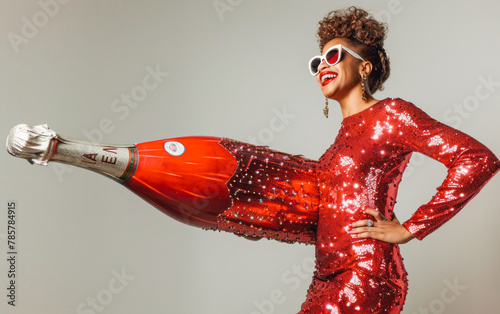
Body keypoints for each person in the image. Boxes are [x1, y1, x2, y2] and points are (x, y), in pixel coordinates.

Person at [5, 6, 499, 314]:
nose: (322, 67)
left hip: (367, 274)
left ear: (364, 65)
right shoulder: (340, 139)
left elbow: (476, 159)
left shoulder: (393, 114)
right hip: (325, 274)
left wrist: (409, 228)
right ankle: (64, 150)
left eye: (334, 55)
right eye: (316, 61)